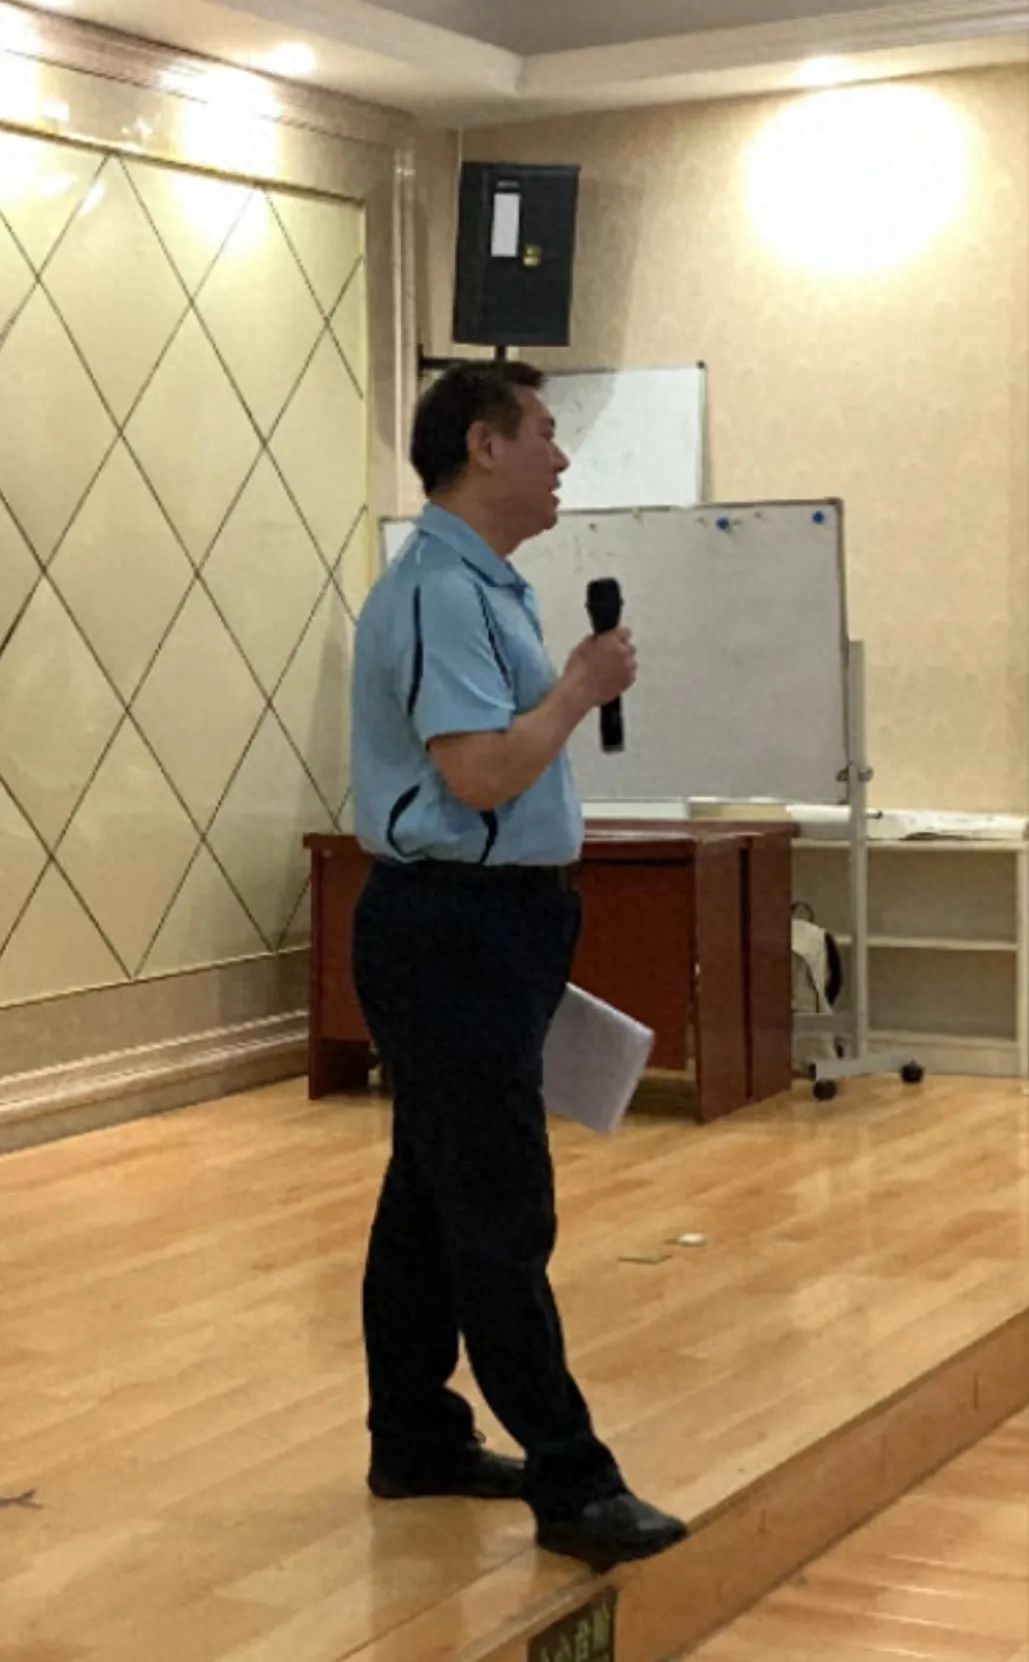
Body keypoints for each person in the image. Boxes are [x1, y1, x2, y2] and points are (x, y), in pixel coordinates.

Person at [349, 360, 687, 1571]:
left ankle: (416, 1437)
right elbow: (481, 773)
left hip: (490, 927)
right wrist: (581, 689)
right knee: (497, 1201)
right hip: (452, 930)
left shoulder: (484, 587)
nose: (561, 456)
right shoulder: (441, 592)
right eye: (543, 432)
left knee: (430, 1195)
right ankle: (572, 1482)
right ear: (483, 447)